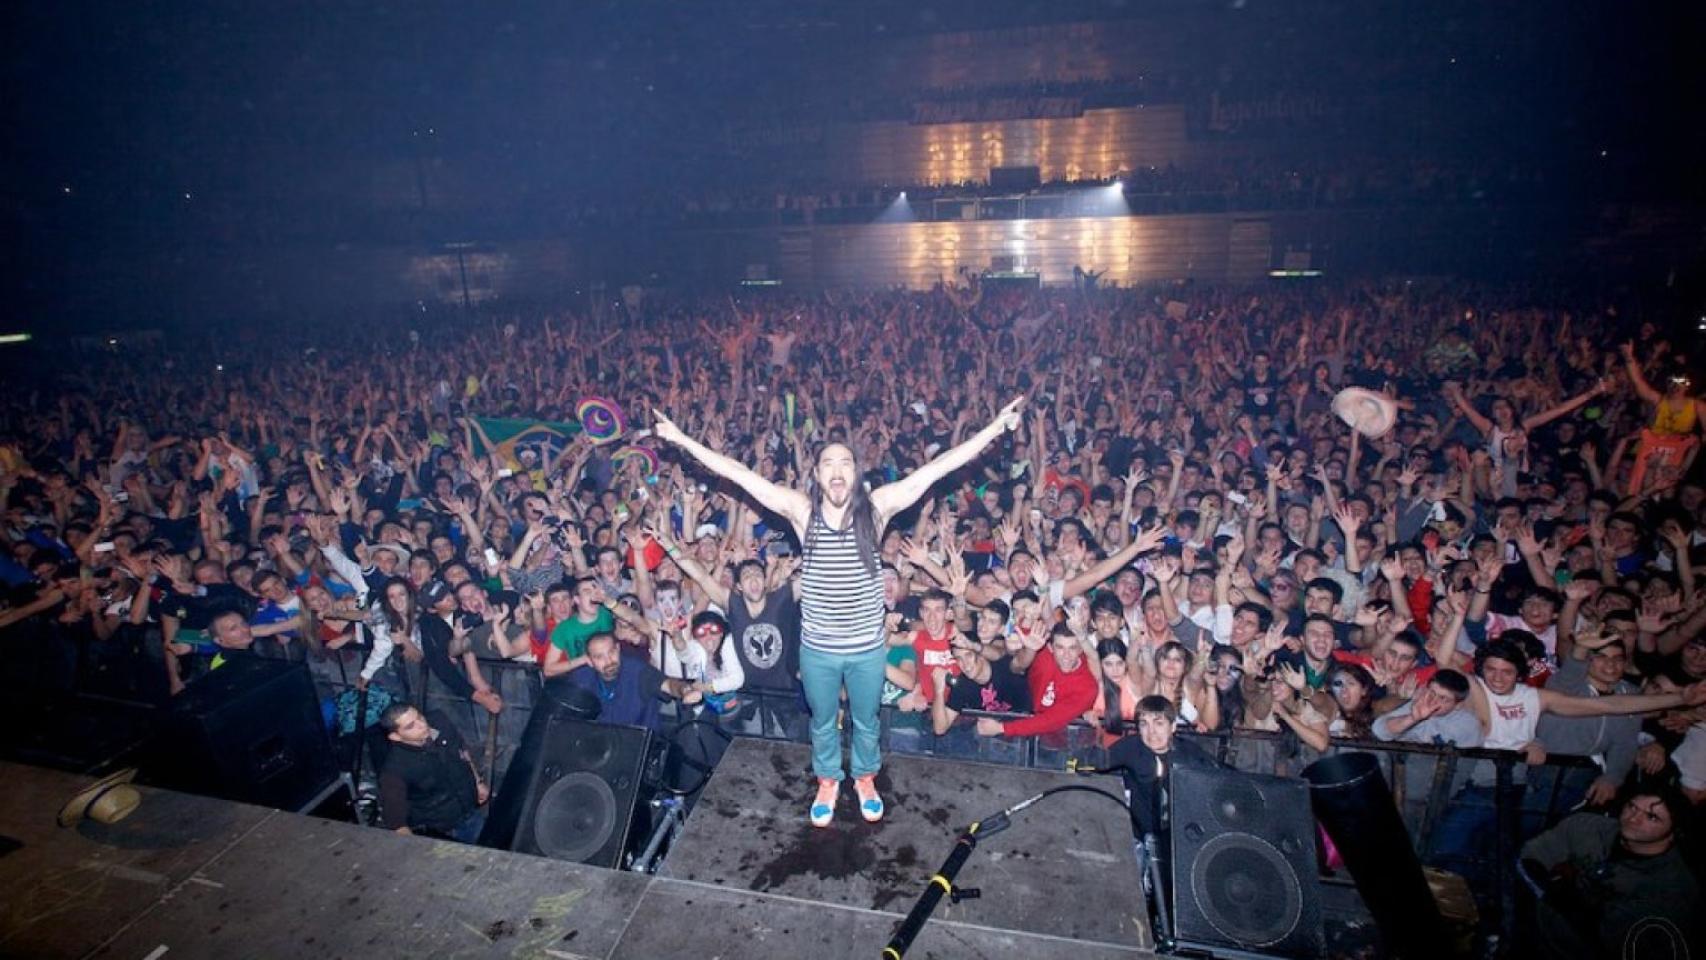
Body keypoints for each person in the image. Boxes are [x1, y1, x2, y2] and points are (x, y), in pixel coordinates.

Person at [653, 396, 1024, 827]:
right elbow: (739, 473)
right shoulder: (801, 510)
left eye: (845, 462)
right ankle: (828, 779)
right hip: (819, 651)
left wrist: (994, 429)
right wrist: (681, 439)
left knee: (866, 721)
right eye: (828, 462)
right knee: (824, 722)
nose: (836, 470)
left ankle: (865, 777)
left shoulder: (879, 508)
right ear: (817, 474)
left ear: (855, 473)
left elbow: (935, 470)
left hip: (867, 650)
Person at [1520, 789, 1703, 959]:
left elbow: (1607, 936)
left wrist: (1561, 890)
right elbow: (1530, 856)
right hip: (1536, 929)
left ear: (1673, 832)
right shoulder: (1588, 827)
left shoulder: (1673, 887)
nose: (1634, 818)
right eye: (1632, 806)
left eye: (1652, 817)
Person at [376, 703, 489, 843]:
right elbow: (396, 822)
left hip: (471, 810)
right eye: (410, 726)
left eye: (419, 717)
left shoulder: (439, 721)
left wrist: (477, 781)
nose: (422, 725)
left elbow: (461, 750)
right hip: (443, 831)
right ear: (395, 737)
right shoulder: (395, 770)